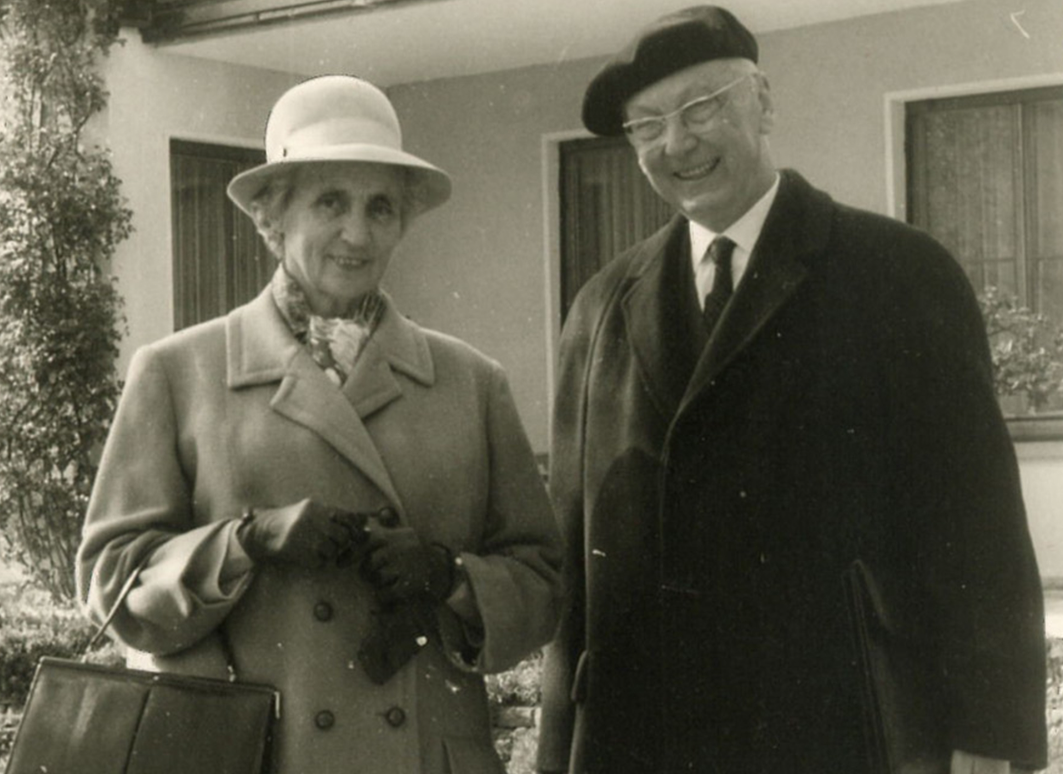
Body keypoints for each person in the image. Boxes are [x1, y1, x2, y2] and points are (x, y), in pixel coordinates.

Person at [536, 6, 1046, 774]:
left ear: (763, 103)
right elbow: (575, 567)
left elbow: (976, 526)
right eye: (646, 126)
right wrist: (557, 753)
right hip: (646, 740)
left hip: (844, 731)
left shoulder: (898, 273)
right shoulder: (600, 307)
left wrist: (986, 737)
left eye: (700, 107)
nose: (677, 143)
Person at [77, 75, 561, 774]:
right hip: (260, 756)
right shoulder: (178, 372)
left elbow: (542, 584)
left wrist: (449, 575)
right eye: (330, 201)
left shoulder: (471, 381)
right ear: (271, 217)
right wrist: (245, 541)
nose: (357, 233)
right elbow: (110, 584)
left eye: (381, 207)